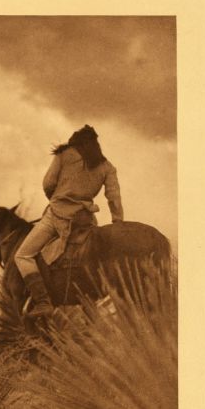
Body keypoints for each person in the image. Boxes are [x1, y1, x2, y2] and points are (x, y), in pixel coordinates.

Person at [14, 125, 124, 318]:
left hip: (57, 215)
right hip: (85, 220)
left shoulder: (63, 155)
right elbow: (113, 197)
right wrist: (117, 222)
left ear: (76, 142)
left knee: (23, 256)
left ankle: (42, 302)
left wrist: (57, 198)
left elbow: (47, 184)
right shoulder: (107, 167)